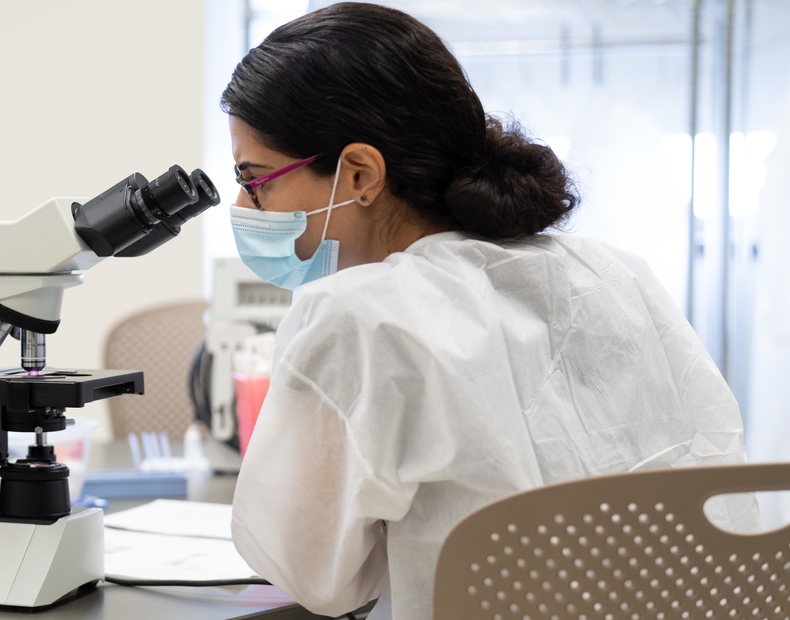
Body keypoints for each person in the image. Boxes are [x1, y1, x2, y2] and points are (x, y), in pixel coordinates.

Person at [221, 4, 759, 619]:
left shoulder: (356, 316)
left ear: (361, 173)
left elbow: (317, 579)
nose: (244, 203)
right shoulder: (610, 270)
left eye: (255, 178)